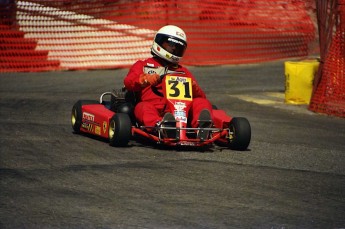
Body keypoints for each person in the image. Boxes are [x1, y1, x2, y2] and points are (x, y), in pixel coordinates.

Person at [123, 25, 213, 140]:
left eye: (177, 47)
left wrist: (195, 90)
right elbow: (128, 82)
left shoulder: (182, 71)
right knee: (142, 107)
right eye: (170, 45)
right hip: (153, 107)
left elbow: (202, 97)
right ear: (159, 42)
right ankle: (163, 127)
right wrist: (145, 79)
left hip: (180, 111)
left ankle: (202, 127)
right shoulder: (143, 65)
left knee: (201, 102)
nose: (174, 49)